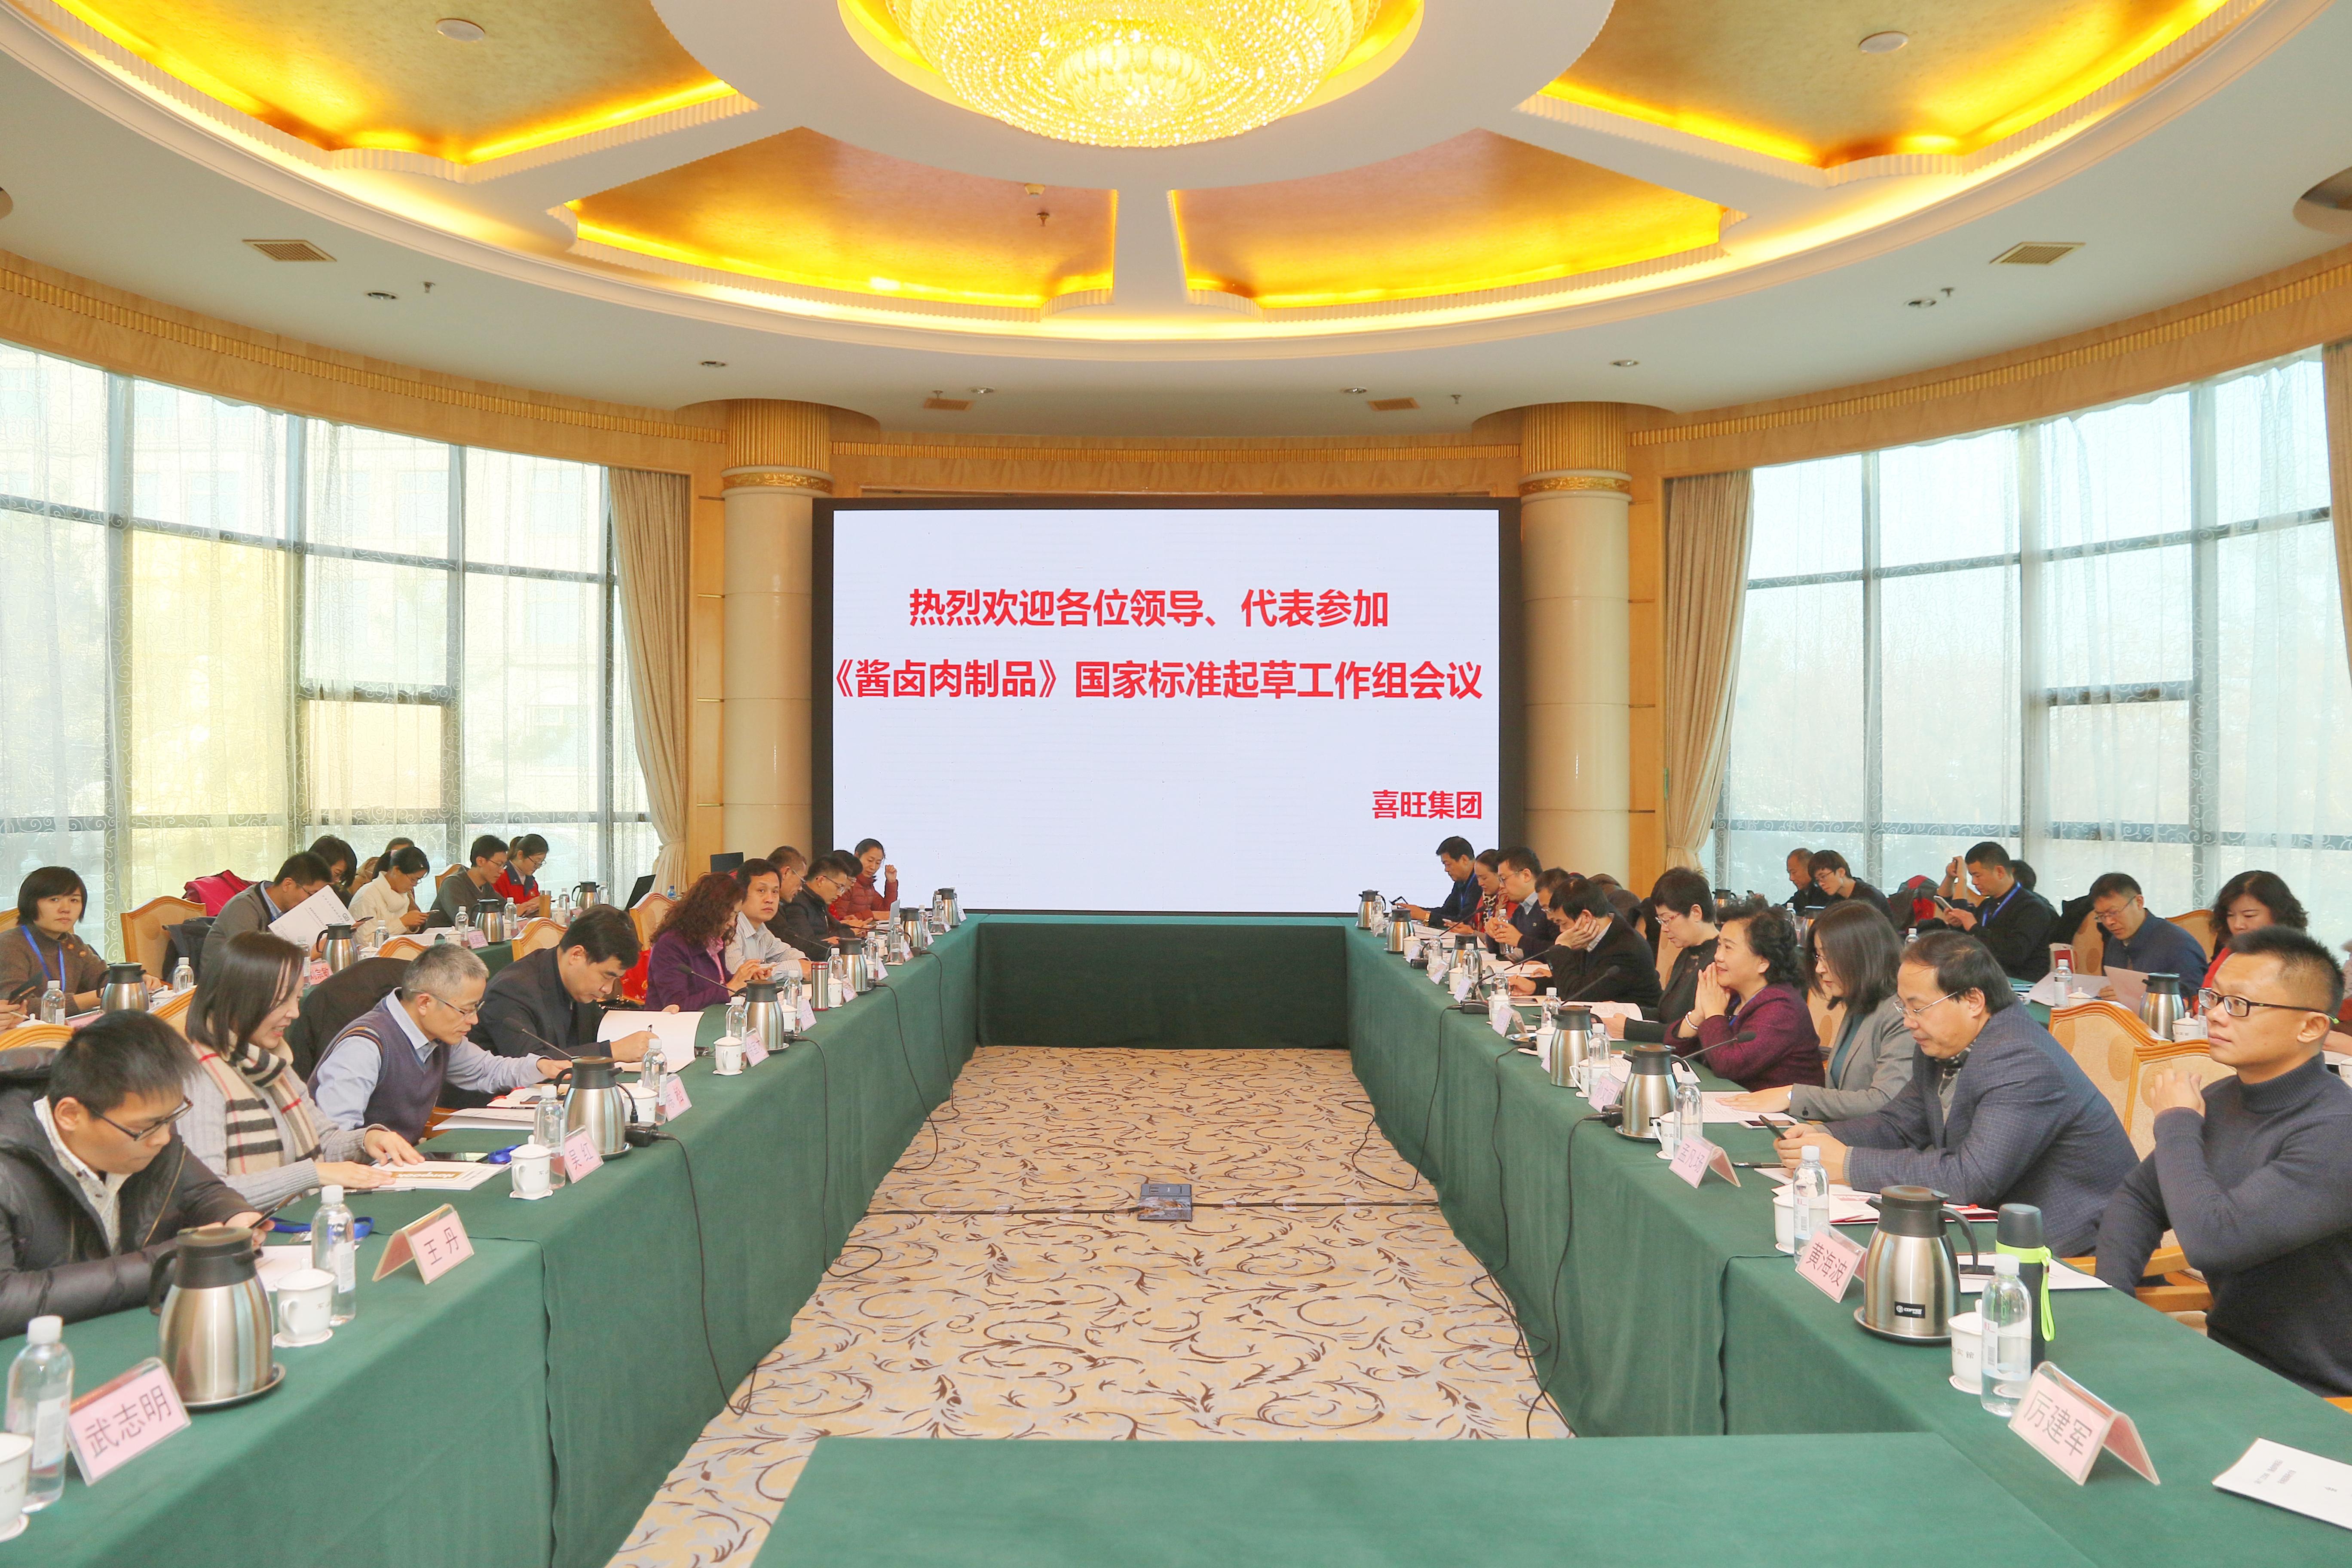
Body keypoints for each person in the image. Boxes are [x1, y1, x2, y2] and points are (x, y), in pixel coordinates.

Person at [2096, 926, 2352, 1395]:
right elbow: (2139, 1198)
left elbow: (2215, 1242)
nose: (2213, 1014)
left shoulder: (2337, 1132)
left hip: (2317, 1394)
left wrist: (2176, 1122)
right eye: (2214, 998)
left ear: (2311, 1027)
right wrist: (2112, 1304)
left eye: (2240, 1004)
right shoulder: (2222, 1098)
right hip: (2228, 1361)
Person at [1775, 929, 2134, 1253]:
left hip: (2070, 1247)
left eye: (1918, 1008)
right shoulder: (1942, 1042)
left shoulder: (2023, 1060)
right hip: (1994, 1225)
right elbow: (1899, 1125)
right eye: (1904, 1007)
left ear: (1973, 1001)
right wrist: (1822, 1140)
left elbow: (1971, 1178)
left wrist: (1849, 1163)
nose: (1908, 1022)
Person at [0, 1013, 263, 1337]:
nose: (163, 1138)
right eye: (147, 1127)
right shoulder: (8, 1165)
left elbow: (202, 1191)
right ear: (70, 1115)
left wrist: (234, 1215)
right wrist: (167, 1263)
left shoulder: (143, 1126)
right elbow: (6, 1300)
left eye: (170, 1118)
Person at [179, 932, 423, 1207]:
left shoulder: (272, 1063)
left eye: (296, 999)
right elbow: (208, 1193)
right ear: (239, 999)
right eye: (281, 1001)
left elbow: (325, 1142)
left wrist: (367, 1139)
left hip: (298, 1216)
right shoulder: (199, 1078)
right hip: (250, 1229)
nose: (294, 1013)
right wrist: (313, 1174)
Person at [310, 943, 573, 1143]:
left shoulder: (438, 1034)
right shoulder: (364, 1048)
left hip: (402, 1165)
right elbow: (334, 1140)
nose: (474, 1020)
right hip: (360, 1177)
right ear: (425, 1003)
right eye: (466, 1010)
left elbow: (485, 1070)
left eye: (476, 1008)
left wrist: (541, 1067)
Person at [1730, 900, 1911, 1120]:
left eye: (1828, 957)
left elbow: (1885, 1101)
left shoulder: (1901, 1015)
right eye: (1818, 956)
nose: (1819, 968)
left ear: (1863, 955)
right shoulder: (1859, 1005)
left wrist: (1793, 1096)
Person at [1674, 901, 1820, 1091]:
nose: (1718, 956)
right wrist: (1698, 1015)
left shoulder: (1783, 1008)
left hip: (1781, 1109)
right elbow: (1675, 1055)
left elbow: (1728, 1066)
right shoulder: (1732, 995)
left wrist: (1713, 1013)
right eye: (1719, 945)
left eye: (1729, 948)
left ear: (1763, 962)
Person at [475, 906, 652, 1062]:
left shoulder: (576, 983)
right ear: (577, 955)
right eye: (606, 976)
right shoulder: (511, 990)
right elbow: (531, 1064)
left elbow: (598, 1031)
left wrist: (652, 1024)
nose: (608, 989)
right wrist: (611, 1052)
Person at [1513, 877, 1662, 1009]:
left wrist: (1561, 947)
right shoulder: (1591, 935)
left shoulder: (1625, 949)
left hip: (1637, 1023)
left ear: (1586, 917)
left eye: (1563, 923)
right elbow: (1580, 982)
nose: (1562, 931)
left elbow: (1576, 996)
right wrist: (1535, 986)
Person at [646, 873, 771, 1012]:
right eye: (729, 916)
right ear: (710, 912)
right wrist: (730, 988)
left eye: (736, 915)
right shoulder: (670, 945)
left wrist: (747, 979)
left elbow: (719, 981)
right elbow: (676, 1006)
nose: (732, 923)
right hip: (672, 1024)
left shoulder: (713, 940)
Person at [1934, 842, 2056, 982]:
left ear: (2000, 872)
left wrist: (1974, 927)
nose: (1974, 882)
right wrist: (1960, 926)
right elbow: (1976, 943)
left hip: (2021, 984)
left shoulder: (2032, 907)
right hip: (1987, 978)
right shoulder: (1987, 904)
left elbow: (2015, 954)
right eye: (1972, 876)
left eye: (1978, 876)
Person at [1620, 869, 1716, 1041]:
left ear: (1696, 913)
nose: (1664, 929)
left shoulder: (1718, 961)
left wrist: (1629, 1028)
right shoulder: (1688, 953)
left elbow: (1693, 1031)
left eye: (1667, 919)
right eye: (1661, 921)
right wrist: (1624, 1011)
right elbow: (1667, 1014)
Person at [203, 852, 334, 978]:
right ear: (288, 884)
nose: (313, 901)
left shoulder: (291, 908)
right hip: (226, 984)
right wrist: (308, 955)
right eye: (311, 894)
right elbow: (250, 962)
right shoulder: (243, 907)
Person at [2, 867, 110, 1014]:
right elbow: (18, 1008)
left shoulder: (73, 944)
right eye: (54, 900)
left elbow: (105, 979)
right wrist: (101, 996)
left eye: (74, 900)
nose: (66, 909)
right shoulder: (9, 945)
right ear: (30, 903)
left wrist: (132, 979)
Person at [2088, 872, 2210, 986]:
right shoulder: (2115, 942)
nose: (2109, 922)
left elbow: (2194, 995)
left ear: (2139, 902)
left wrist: (2137, 994)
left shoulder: (2177, 943)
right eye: (2101, 916)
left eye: (2114, 912)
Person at [728, 858, 808, 978]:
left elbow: (785, 953)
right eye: (761, 891)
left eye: (775, 892)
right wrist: (797, 968)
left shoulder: (761, 929)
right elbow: (740, 976)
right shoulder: (730, 928)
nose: (770, 899)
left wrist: (803, 962)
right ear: (741, 893)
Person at [1482, 848, 1554, 962]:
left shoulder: (1551, 907)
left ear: (1526, 875)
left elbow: (1562, 951)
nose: (1501, 886)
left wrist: (1520, 940)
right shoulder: (1522, 909)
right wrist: (1494, 933)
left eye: (1504, 879)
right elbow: (1501, 952)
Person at [1397, 836, 1482, 930]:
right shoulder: (1461, 881)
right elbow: (1448, 911)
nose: (1446, 870)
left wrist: (1425, 916)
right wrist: (1418, 911)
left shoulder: (1479, 882)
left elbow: (1462, 921)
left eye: (1448, 864)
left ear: (1464, 860)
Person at [349, 844, 432, 935]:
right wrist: (403, 922)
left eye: (418, 880)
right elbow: (366, 940)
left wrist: (412, 925)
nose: (415, 884)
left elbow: (400, 936)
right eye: (413, 879)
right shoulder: (367, 895)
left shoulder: (403, 896)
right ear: (397, 870)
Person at [430, 835, 509, 928]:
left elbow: (504, 907)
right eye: (499, 865)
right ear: (480, 861)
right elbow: (464, 920)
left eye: (503, 866)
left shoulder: (485, 886)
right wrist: (504, 915)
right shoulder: (453, 883)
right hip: (441, 935)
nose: (502, 871)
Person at [781, 854, 855, 954]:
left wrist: (851, 930)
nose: (840, 894)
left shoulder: (819, 901)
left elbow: (838, 928)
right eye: (839, 887)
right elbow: (808, 944)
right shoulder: (797, 903)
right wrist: (850, 934)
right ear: (821, 881)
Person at [1809, 850, 1894, 928]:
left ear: (1841, 872)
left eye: (1823, 877)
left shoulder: (1869, 897)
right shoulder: (1836, 899)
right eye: (1818, 880)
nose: (1821, 884)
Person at [829, 839, 899, 930]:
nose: (873, 867)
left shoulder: (868, 885)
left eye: (878, 863)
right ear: (857, 856)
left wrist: (891, 882)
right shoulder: (846, 885)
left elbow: (886, 913)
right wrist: (872, 915)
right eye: (870, 861)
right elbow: (839, 920)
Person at [494, 833, 549, 914]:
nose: (538, 867)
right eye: (536, 861)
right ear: (520, 855)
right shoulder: (499, 877)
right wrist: (523, 908)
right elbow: (498, 912)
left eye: (541, 862)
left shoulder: (531, 881)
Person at [1782, 848, 1833, 918]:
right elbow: (1785, 909)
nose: (1791, 878)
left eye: (1794, 872)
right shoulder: (1803, 893)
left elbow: (1812, 914)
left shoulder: (1824, 890)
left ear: (1809, 869)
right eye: (1789, 873)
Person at [307, 836, 358, 902]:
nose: (338, 881)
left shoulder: (341, 896)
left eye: (342, 876)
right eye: (337, 874)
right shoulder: (295, 888)